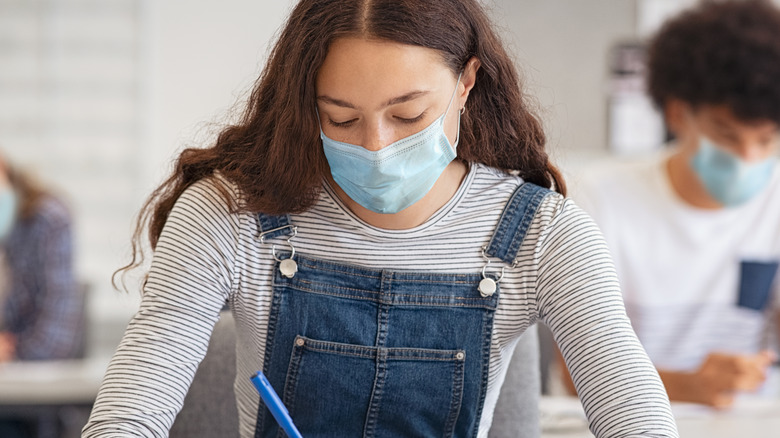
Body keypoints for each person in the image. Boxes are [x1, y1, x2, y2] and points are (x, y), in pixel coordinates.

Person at [82, 1, 678, 437]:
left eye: (409, 115)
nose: (374, 145)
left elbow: (633, 414)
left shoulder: (544, 234)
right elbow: (129, 413)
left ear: (466, 81)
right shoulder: (230, 213)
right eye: (341, 119)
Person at [572, 0, 780, 409]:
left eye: (767, 139)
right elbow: (574, 371)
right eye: (727, 135)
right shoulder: (599, 200)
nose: (749, 158)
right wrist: (689, 387)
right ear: (678, 114)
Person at [0, 153, 83, 438]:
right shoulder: (9, 230)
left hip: (33, 395)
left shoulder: (49, 219)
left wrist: (13, 351)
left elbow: (55, 339)